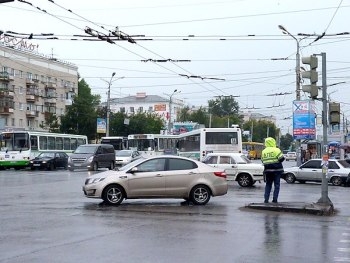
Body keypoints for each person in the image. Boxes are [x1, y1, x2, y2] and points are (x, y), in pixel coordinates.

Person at [261, 137, 285, 203]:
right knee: (276, 185)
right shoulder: (276, 150)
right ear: (273, 142)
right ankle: (275, 199)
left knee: (268, 185)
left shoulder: (264, 151)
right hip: (277, 171)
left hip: (268, 171)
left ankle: (266, 199)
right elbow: (281, 159)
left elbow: (263, 161)